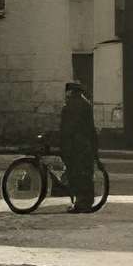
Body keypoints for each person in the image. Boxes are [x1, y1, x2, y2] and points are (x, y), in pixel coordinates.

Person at [55, 79, 102, 211]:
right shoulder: (86, 104)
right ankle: (86, 202)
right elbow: (91, 128)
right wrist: (95, 146)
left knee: (75, 173)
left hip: (74, 144)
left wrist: (61, 144)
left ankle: (80, 204)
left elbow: (65, 128)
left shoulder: (69, 106)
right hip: (85, 144)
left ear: (71, 92)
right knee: (85, 174)